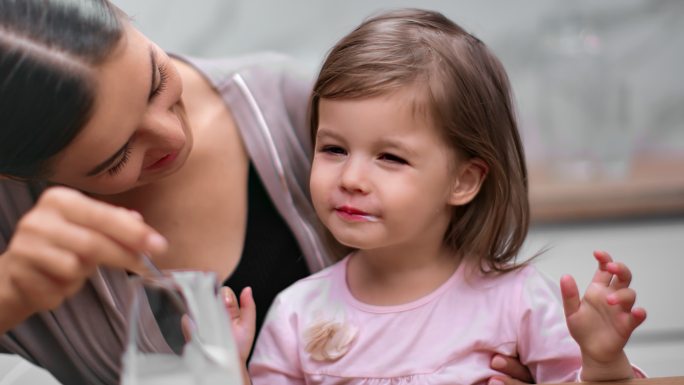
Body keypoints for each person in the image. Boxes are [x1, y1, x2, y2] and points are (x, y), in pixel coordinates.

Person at [0, 1, 532, 384]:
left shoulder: (294, 109)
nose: (173, 136)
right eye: (116, 157)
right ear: (17, 177)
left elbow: (465, 300)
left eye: (157, 82)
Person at [248, 8, 647, 384]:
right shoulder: (296, 314)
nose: (351, 178)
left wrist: (602, 362)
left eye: (390, 157)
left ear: (463, 181)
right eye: (334, 149)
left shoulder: (518, 303)